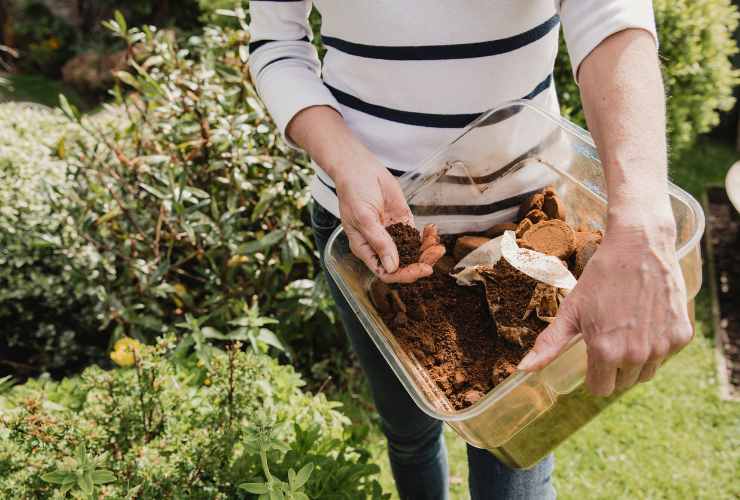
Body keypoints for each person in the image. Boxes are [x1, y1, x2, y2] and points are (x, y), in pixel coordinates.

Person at [248, 2, 693, 499]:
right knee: (410, 433)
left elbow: (610, 15)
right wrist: (344, 159)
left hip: (527, 234)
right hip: (371, 236)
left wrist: (640, 227)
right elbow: (277, 43)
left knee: (515, 459)